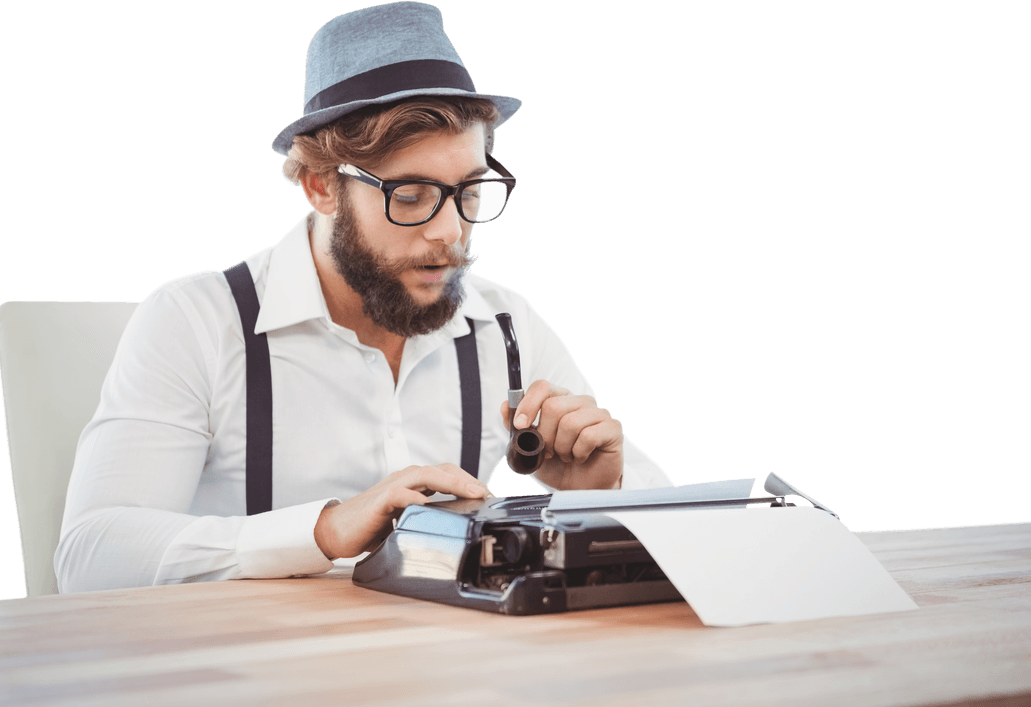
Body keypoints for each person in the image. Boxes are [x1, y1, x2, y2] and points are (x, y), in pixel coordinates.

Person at [55, 1, 673, 593]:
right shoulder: (196, 320)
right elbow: (90, 557)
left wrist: (598, 495)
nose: (449, 231)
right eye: (411, 196)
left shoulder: (506, 324)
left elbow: (681, 529)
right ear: (321, 186)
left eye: (468, 192)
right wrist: (324, 530)